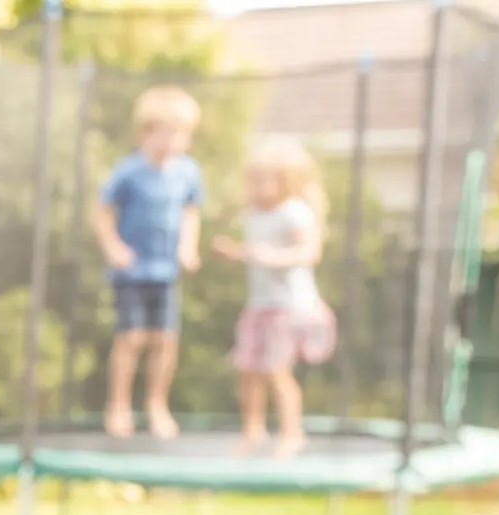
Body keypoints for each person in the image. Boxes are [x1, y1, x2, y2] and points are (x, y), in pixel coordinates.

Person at [212, 135, 337, 458]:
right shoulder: (254, 213)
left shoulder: (293, 212)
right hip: (259, 307)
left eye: (264, 179)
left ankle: (291, 433)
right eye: (252, 179)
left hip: (289, 308)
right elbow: (254, 253)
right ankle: (252, 432)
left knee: (276, 370)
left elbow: (309, 252)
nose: (256, 186)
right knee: (248, 370)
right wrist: (236, 253)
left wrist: (269, 256)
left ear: (286, 181)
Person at [90, 84, 202, 441]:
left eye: (179, 134)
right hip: (132, 271)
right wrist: (113, 247)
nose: (171, 141)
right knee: (132, 338)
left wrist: (188, 246)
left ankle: (157, 406)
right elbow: (102, 213)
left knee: (165, 340)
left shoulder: (187, 172)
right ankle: (118, 406)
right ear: (144, 133)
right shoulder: (129, 171)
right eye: (164, 133)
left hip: (164, 272)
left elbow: (191, 212)